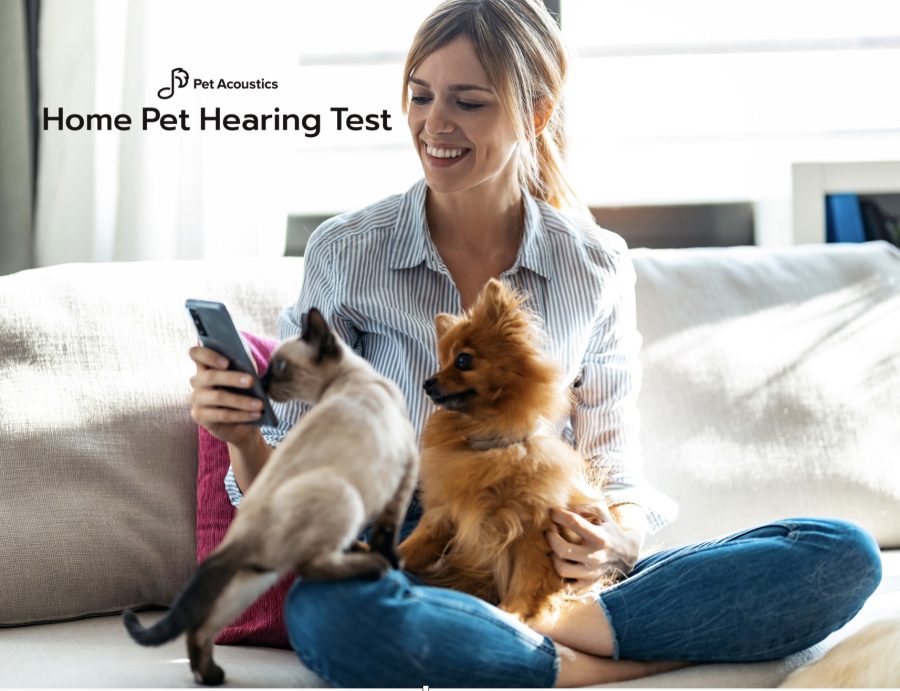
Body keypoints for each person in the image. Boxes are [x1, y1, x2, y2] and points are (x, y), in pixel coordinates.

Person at [188, 0, 882, 686]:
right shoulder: (347, 253)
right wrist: (243, 438)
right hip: (413, 552)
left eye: (469, 102)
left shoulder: (594, 264)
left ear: (538, 113)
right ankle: (588, 659)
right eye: (421, 96)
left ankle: (540, 630)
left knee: (840, 554)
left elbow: (614, 458)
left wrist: (616, 539)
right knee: (328, 612)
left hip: (544, 546)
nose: (435, 123)